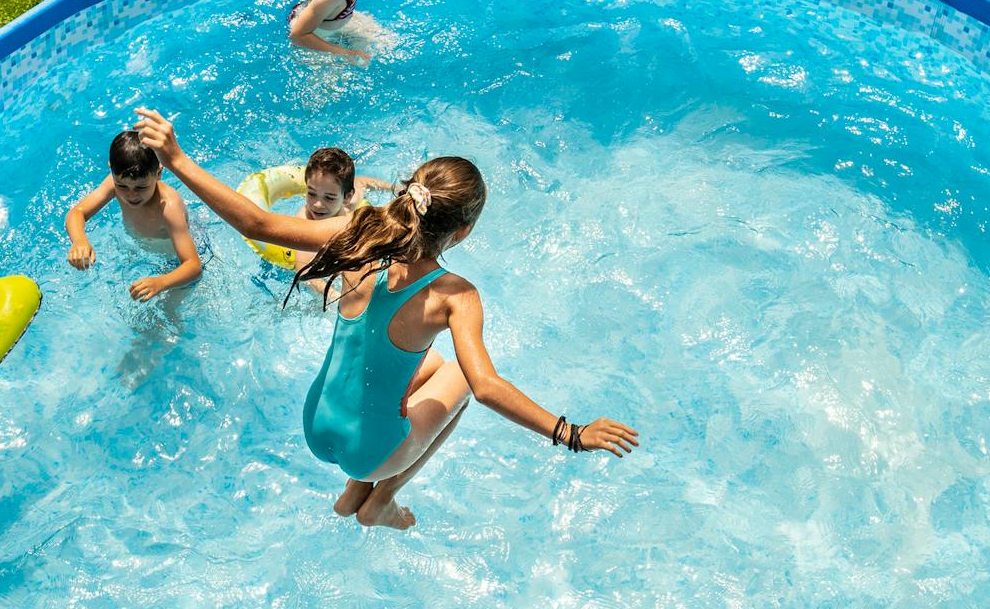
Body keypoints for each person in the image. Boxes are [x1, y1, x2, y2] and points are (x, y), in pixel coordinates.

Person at [131, 106, 640, 531]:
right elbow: (487, 388)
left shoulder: (356, 231)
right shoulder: (455, 296)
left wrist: (176, 158)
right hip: (373, 451)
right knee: (463, 377)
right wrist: (572, 433)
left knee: (429, 364)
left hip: (315, 423)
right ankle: (380, 500)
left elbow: (255, 221)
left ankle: (355, 490)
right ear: (461, 232)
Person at [64, 129, 203, 302]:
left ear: (159, 173)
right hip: (146, 248)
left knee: (166, 309)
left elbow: (193, 266)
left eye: (141, 187)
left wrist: (161, 282)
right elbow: (77, 213)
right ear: (111, 169)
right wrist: (79, 241)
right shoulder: (115, 182)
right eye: (122, 186)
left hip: (179, 262)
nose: (131, 195)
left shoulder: (168, 207)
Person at [294, 146, 392, 279]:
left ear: (347, 197)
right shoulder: (305, 224)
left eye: (329, 198)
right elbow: (303, 273)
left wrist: (395, 188)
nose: (317, 204)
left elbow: (362, 183)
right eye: (311, 193)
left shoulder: (350, 204)